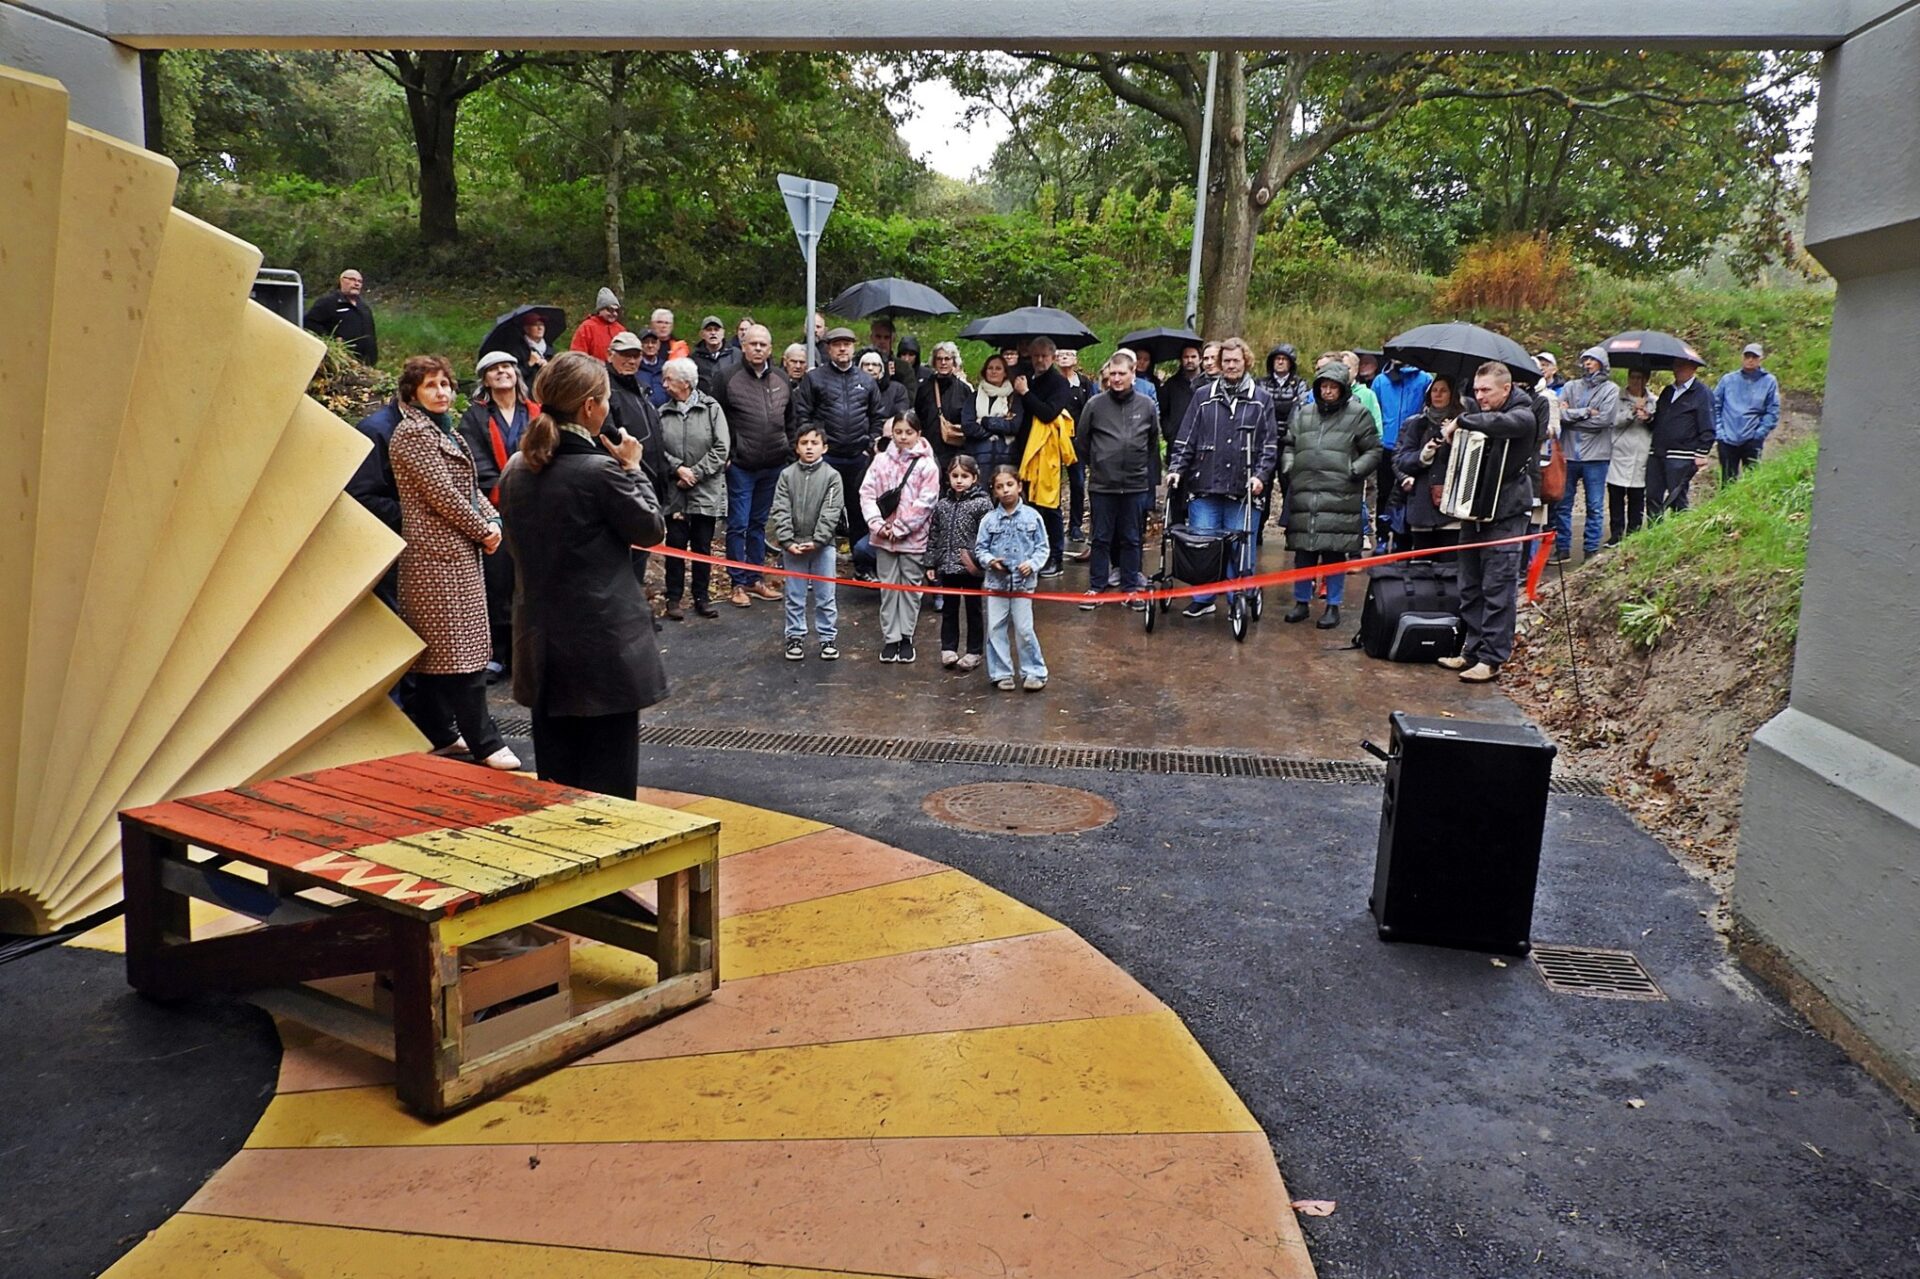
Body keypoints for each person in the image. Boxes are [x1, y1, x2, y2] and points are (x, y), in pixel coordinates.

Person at [498, 351, 665, 797]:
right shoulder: (600, 471)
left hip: (541, 648)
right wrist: (634, 468)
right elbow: (651, 528)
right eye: (605, 400)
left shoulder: (516, 468)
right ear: (590, 407)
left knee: (558, 787)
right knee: (610, 789)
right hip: (602, 651)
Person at [386, 354, 517, 770]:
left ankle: (438, 732)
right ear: (412, 393)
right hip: (434, 559)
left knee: (446, 654)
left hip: (457, 554)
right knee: (459, 654)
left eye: (445, 384)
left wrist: (493, 521)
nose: (441, 392)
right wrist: (484, 530)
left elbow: (470, 488)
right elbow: (442, 494)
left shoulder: (446, 431)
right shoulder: (413, 434)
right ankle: (485, 741)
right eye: (431, 385)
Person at [1435, 363, 1538, 683]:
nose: (1479, 396)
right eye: (1476, 390)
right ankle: (1472, 650)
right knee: (1470, 586)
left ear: (1506, 389)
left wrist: (1461, 421)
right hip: (1473, 512)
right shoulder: (1480, 413)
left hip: (1506, 515)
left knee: (1498, 588)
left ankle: (1492, 658)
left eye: (1486, 390)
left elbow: (1505, 424)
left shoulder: (1523, 414)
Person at [1168, 338, 1277, 619]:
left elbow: (1269, 445)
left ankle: (1236, 598)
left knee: (1240, 549)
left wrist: (1261, 476)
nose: (1230, 365)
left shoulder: (1261, 399)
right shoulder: (1203, 396)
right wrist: (1176, 468)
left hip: (1243, 489)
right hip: (1205, 485)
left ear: (1246, 362)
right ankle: (1203, 599)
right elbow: (1186, 437)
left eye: (1235, 361)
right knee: (1204, 546)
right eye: (1226, 361)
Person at [1280, 360, 1381, 628]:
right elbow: (1289, 444)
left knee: (1334, 553)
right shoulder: (1304, 413)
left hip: (1340, 496)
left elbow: (1374, 450)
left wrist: (1354, 470)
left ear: (1342, 389)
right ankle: (1301, 602)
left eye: (1332, 387)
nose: (1327, 391)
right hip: (1305, 493)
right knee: (1303, 552)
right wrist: (1290, 467)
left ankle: (1333, 605)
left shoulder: (1358, 414)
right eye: (1323, 386)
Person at [458, 350, 534, 679]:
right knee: (499, 582)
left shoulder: (535, 413)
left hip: (535, 508)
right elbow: (474, 462)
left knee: (531, 581)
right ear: (485, 380)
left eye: (507, 366)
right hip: (496, 508)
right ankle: (497, 653)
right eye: (494, 369)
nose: (502, 372)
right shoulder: (474, 418)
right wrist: (508, 484)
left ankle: (527, 655)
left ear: (517, 374)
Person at [1075, 353, 1160, 610]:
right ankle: (1097, 587)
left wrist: (1141, 471)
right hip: (1103, 485)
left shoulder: (1146, 405)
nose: (1116, 378)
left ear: (1133, 374)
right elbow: (1082, 441)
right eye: (1112, 373)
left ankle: (1130, 588)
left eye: (1122, 373)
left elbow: (1152, 443)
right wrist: (1099, 464)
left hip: (1135, 485)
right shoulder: (1095, 405)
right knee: (1100, 538)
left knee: (1132, 538)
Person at [714, 323, 791, 608]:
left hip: (773, 464)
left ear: (770, 349)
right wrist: (727, 452)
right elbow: (717, 417)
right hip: (741, 465)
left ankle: (754, 578)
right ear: (743, 346)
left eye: (763, 344)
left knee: (758, 523)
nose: (758, 348)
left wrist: (788, 451)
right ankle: (737, 582)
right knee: (738, 524)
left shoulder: (782, 378)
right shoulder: (727, 377)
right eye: (753, 343)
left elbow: (791, 418)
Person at [858, 411, 940, 663]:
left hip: (913, 538)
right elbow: (867, 493)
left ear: (918, 434)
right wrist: (877, 524)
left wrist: (901, 527)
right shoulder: (880, 461)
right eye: (898, 432)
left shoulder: (927, 465)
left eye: (908, 432)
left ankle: (906, 636)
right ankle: (891, 638)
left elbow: (926, 502)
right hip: (883, 537)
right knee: (888, 588)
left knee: (910, 589)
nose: (903, 437)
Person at [656, 357, 730, 620]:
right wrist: (678, 469)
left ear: (685, 382)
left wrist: (695, 473)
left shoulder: (711, 409)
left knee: (702, 546)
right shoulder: (662, 412)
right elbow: (658, 449)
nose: (664, 384)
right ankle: (674, 598)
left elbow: (722, 447)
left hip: (705, 490)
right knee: (675, 545)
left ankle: (702, 597)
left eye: (669, 379)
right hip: (675, 490)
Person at [792, 326, 886, 526]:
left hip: (858, 457)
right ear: (829, 349)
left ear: (853, 348)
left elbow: (877, 416)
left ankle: (858, 547)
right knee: (823, 511)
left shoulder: (866, 380)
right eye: (837, 345)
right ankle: (822, 545)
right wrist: (815, 446)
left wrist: (870, 445)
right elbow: (803, 414)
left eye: (847, 344)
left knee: (859, 511)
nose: (842, 349)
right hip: (827, 456)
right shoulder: (814, 378)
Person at [604, 331, 670, 609]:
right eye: (625, 355)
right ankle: (625, 614)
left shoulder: (640, 387)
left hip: (650, 481)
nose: (631, 361)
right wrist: (632, 469)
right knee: (622, 560)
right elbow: (608, 437)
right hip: (624, 482)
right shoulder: (605, 390)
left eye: (636, 355)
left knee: (640, 555)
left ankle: (636, 611)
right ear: (610, 355)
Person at [768, 424, 844, 662]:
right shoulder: (786, 475)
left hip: (823, 547)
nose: (809, 448)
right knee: (795, 595)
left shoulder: (832, 476)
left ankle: (827, 637)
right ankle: (795, 636)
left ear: (824, 447)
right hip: (793, 546)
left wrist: (819, 540)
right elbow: (780, 509)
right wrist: (787, 540)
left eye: (814, 443)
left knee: (825, 595)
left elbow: (831, 511)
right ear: (796, 447)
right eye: (804, 443)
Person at [974, 467, 1051, 692]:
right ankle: (1001, 673)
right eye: (999, 487)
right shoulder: (988, 520)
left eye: (1009, 485)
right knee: (995, 628)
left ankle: (1034, 672)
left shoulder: (1033, 517)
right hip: (995, 585)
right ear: (994, 491)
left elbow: (1043, 548)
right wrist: (990, 561)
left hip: (1023, 585)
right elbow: (980, 549)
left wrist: (1032, 564)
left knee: (1024, 629)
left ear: (1019, 486)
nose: (1005, 490)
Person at [1011, 337, 1076, 578]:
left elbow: (1048, 413)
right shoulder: (1026, 376)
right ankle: (1032, 555)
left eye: (1044, 356)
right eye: (1035, 355)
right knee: (1027, 505)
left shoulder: (1059, 383)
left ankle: (1055, 557)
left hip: (1046, 453)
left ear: (1053, 357)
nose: (1039, 360)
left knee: (1049, 507)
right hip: (1024, 449)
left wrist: (1026, 393)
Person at [1553, 346, 1620, 561]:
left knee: (1595, 506)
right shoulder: (1571, 386)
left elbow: (1605, 420)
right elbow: (1558, 415)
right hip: (1569, 454)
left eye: (1592, 359)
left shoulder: (1611, 390)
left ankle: (1591, 549)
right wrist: (1585, 412)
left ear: (1602, 363)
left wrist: (1572, 418)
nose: (1588, 363)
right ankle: (1562, 548)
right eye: (1585, 359)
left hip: (1597, 457)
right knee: (1563, 505)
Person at [927, 454, 992, 669]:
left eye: (965, 476)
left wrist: (980, 561)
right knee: (949, 609)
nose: (959, 480)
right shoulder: (942, 505)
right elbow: (934, 534)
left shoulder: (982, 504)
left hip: (971, 567)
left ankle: (974, 651)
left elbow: (988, 535)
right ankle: (948, 648)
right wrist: (931, 562)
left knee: (974, 610)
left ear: (975, 478)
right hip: (948, 566)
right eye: (955, 476)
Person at [1393, 374, 1465, 553]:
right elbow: (1402, 460)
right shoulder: (1417, 424)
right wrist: (1423, 455)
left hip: (1451, 508)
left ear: (1452, 395)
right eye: (1434, 390)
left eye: (1443, 391)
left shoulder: (1464, 423)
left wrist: (1453, 440)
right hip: (1421, 507)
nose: (1437, 394)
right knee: (1422, 563)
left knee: (1449, 563)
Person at [1370, 358, 1435, 552]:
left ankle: (1402, 537)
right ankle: (1382, 536)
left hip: (1411, 445)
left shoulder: (1424, 379)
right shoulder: (1381, 380)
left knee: (1407, 492)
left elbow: (1427, 408)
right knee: (1384, 493)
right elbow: (1374, 411)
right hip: (1386, 444)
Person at [1647, 356, 1715, 519]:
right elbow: (1659, 421)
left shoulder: (1702, 393)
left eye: (1682, 365)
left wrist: (1702, 452)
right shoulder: (1668, 391)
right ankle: (1654, 529)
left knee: (1677, 497)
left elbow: (1708, 425)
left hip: (1682, 454)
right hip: (1657, 452)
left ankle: (1680, 530)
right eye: (1676, 365)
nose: (1677, 369)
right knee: (1652, 495)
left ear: (1693, 368)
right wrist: (1647, 418)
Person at [1714, 343, 1781, 482]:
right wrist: (1720, 432)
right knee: (1727, 481)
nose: (1750, 360)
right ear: (1742, 357)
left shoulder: (1769, 381)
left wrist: (1759, 433)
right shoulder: (1728, 380)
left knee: (1753, 481)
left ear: (1761, 359)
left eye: (1754, 357)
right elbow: (1714, 406)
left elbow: (1772, 410)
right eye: (1747, 356)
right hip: (1727, 438)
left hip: (1752, 438)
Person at [916, 340, 977, 478]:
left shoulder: (964, 390)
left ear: (954, 361)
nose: (943, 362)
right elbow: (919, 417)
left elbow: (969, 422)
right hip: (929, 451)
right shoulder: (924, 388)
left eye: (947, 359)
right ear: (934, 362)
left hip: (955, 452)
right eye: (939, 359)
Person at [1608, 368, 1656, 543]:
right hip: (1619, 454)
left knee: (1637, 497)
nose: (1636, 381)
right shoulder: (1617, 398)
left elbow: (1657, 426)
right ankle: (1616, 534)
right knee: (1616, 497)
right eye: (1633, 377)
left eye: (1640, 377)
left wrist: (1648, 418)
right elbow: (1613, 421)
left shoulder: (1654, 401)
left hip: (1641, 454)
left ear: (1646, 379)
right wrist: (1632, 411)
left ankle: (1633, 534)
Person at [1056, 347, 1093, 552]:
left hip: (1077, 440)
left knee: (1078, 482)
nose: (1064, 357)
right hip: (1054, 439)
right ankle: (1053, 522)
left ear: (1076, 359)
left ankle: (1075, 525)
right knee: (1053, 482)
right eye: (1060, 354)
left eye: (1068, 354)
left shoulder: (1084, 383)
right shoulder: (1051, 381)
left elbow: (1091, 408)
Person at [302, 268, 377, 364]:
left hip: (365, 363)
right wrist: (331, 340)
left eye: (359, 281)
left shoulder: (364, 307)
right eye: (352, 280)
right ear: (342, 281)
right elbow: (309, 323)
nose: (356, 284)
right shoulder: (328, 303)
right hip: (340, 362)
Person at [972, 353, 1022, 472]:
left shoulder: (1014, 397)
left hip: (1007, 456)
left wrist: (985, 421)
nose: (993, 372)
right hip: (979, 456)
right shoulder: (974, 397)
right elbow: (968, 426)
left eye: (998, 368)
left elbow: (1014, 426)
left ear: (1005, 373)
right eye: (990, 368)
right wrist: (996, 429)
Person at [492, 308, 553, 388]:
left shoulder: (549, 349)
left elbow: (557, 375)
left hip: (546, 391)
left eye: (542, 325)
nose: (540, 328)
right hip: (526, 392)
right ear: (526, 329)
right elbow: (513, 375)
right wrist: (529, 364)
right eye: (535, 325)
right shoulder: (516, 350)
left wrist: (548, 367)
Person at [1160, 345, 1205, 445]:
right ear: (1181, 360)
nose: (1189, 360)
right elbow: (1163, 412)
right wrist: (1169, 433)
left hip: (1203, 442)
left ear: (1200, 359)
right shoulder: (1171, 384)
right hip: (1177, 441)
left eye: (1193, 357)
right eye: (1186, 357)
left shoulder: (1208, 383)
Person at [569, 287, 626, 361]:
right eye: (610, 310)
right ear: (600, 310)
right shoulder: (587, 328)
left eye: (616, 310)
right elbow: (577, 356)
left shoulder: (621, 329)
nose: (614, 313)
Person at [861, 349, 911, 420]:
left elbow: (900, 417)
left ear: (882, 368)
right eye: (866, 364)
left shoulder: (898, 390)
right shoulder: (851, 389)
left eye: (875, 364)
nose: (870, 368)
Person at [691, 314, 731, 394]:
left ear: (723, 333)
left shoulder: (736, 355)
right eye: (709, 330)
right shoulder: (694, 358)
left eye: (716, 329)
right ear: (702, 334)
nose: (713, 333)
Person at [633, 329, 669, 406]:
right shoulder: (634, 368)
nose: (650, 345)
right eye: (646, 342)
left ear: (659, 345)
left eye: (653, 342)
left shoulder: (666, 367)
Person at [893, 335, 923, 403]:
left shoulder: (926, 375)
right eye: (903, 354)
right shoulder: (893, 374)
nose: (907, 359)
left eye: (911, 355)